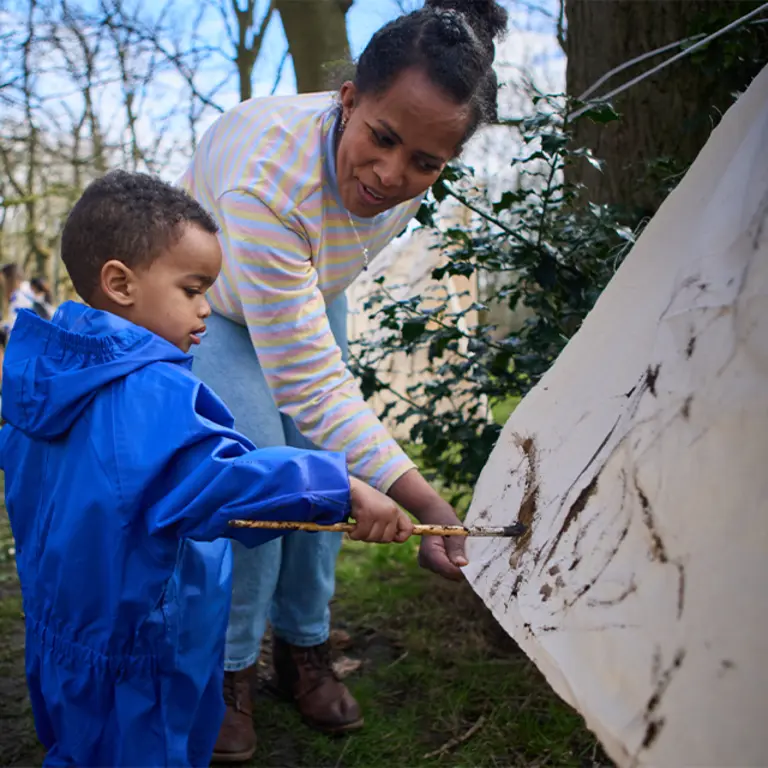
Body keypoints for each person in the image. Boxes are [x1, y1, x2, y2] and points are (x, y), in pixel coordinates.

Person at [178, 0, 509, 759]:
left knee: (327, 469)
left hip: (305, 289)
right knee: (262, 473)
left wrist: (368, 475)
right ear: (349, 99)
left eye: (425, 163)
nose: (393, 175)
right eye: (382, 139)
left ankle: (304, 644)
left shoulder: (404, 163)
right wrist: (423, 500)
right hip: (221, 302)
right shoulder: (269, 179)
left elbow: (316, 367)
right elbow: (312, 389)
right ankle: (228, 669)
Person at [0, 170, 414, 767]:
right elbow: (224, 482)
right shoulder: (151, 394)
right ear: (120, 283)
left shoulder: (45, 376)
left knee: (77, 747)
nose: (205, 309)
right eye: (193, 289)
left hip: (60, 634)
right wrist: (340, 487)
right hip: (141, 645)